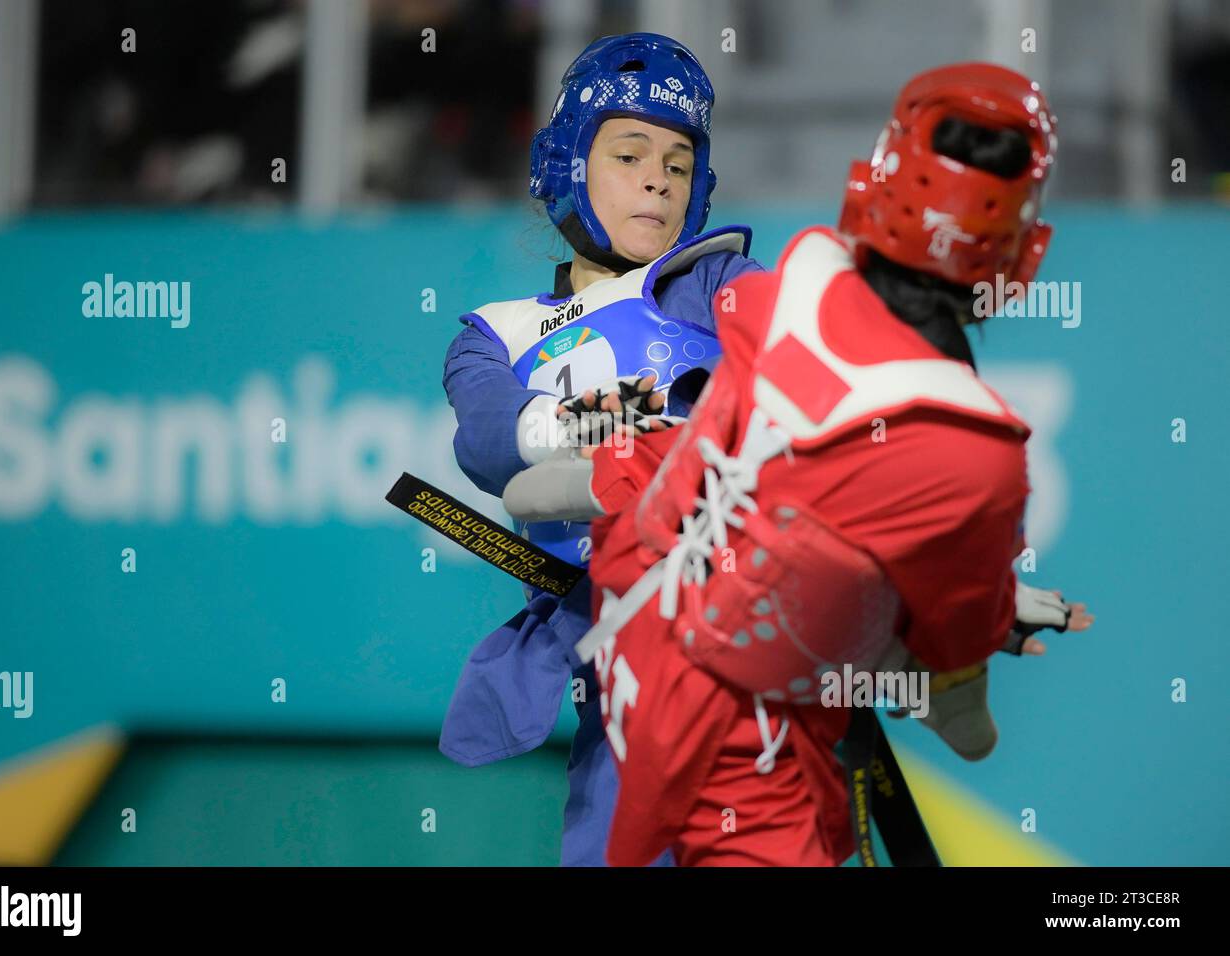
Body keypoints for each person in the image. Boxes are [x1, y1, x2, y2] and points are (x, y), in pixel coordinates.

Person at [510, 62, 1092, 866]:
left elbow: (761, 449)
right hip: (749, 767)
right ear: (1022, 253)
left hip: (639, 625)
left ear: (874, 183)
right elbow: (963, 708)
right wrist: (964, 623)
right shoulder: (983, 460)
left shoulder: (793, 281)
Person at [437, 33, 764, 866]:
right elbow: (487, 438)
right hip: (618, 654)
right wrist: (597, 422)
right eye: (629, 153)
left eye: (678, 163)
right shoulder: (494, 333)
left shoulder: (717, 282)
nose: (659, 176)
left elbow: (811, 346)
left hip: (747, 631)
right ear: (567, 166)